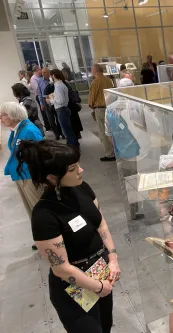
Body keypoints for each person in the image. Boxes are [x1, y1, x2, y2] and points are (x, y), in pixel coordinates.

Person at [16, 140, 120, 333]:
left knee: (105, 327)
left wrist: (112, 258)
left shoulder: (82, 188)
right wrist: (97, 287)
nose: (81, 170)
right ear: (52, 178)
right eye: (73, 169)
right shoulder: (44, 215)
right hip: (73, 287)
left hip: (100, 272)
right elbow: (62, 269)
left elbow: (100, 222)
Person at [105, 78, 159, 220]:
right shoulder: (140, 105)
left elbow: (109, 135)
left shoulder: (110, 108)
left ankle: (132, 211)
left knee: (127, 182)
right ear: (133, 88)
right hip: (143, 152)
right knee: (144, 179)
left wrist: (120, 148)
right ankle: (151, 208)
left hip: (122, 154)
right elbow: (155, 125)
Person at [1, 102, 44, 250]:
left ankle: (49, 237)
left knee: (39, 208)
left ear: (14, 115)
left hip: (29, 175)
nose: (1, 118)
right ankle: (42, 236)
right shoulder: (16, 130)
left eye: (4, 114)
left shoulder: (29, 130)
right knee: (32, 209)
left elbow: (41, 155)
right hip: (21, 175)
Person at [89, 64, 115, 161]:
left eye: (91, 69)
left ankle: (109, 154)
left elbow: (92, 98)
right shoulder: (108, 80)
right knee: (111, 130)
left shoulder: (95, 82)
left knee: (103, 132)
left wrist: (92, 106)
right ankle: (116, 150)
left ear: (95, 71)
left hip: (100, 109)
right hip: (110, 107)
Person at [48, 69, 79, 147]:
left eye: (51, 76)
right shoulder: (61, 84)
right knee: (69, 129)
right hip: (64, 109)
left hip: (61, 109)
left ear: (54, 76)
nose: (50, 77)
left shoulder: (58, 86)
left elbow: (60, 101)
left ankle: (72, 146)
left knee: (66, 131)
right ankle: (74, 144)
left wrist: (51, 101)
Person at [38, 68, 53, 132]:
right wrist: (41, 103)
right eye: (42, 72)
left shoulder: (52, 79)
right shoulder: (40, 80)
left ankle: (61, 131)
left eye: (45, 72)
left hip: (53, 98)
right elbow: (39, 93)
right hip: (45, 99)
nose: (43, 74)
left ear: (49, 73)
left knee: (56, 115)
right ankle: (56, 133)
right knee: (50, 117)